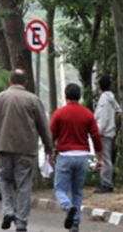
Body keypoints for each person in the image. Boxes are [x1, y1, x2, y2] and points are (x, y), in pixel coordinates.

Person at [0, 68, 53, 232]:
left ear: (10, 81)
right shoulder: (33, 100)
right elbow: (43, 126)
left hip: (4, 148)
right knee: (24, 186)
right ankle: (21, 222)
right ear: (26, 83)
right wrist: (49, 148)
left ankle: (8, 211)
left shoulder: (0, 98)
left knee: (5, 180)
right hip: (26, 150)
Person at [51, 83, 104, 232]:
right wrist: (100, 157)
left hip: (65, 155)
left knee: (60, 189)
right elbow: (96, 136)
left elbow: (51, 135)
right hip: (82, 156)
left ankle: (68, 207)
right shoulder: (87, 114)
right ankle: (75, 223)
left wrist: (49, 153)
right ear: (79, 96)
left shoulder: (59, 114)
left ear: (66, 96)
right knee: (77, 191)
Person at [94, 75, 122, 194]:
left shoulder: (104, 99)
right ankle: (106, 182)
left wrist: (98, 131)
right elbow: (119, 110)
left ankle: (106, 183)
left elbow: (103, 118)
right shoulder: (110, 97)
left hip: (104, 132)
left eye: (97, 83)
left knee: (104, 158)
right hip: (109, 131)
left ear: (100, 85)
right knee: (106, 157)